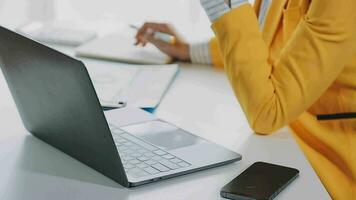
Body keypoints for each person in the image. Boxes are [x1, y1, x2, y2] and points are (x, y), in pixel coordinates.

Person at [135, 0, 356, 199]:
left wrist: (218, 4)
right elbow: (268, 45)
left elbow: (267, 113)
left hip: (331, 164)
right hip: (285, 147)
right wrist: (189, 50)